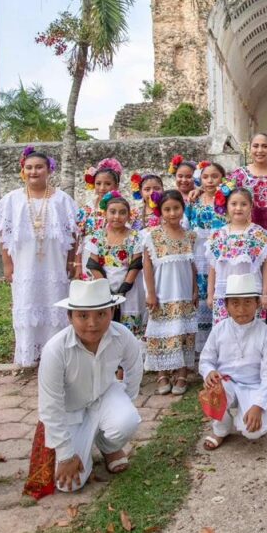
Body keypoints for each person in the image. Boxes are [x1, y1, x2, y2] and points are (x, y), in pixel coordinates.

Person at [38, 279, 143, 493]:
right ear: (70, 316)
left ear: (112, 312)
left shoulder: (122, 335)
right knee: (69, 485)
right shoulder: (55, 350)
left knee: (127, 420)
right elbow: (50, 404)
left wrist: (125, 402)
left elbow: (134, 368)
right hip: (70, 411)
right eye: (83, 316)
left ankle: (108, 447)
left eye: (101, 314)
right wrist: (66, 455)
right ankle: (80, 445)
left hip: (105, 395)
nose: (92, 323)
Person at [0, 146, 78, 367]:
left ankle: (57, 357)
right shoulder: (12, 200)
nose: (33, 172)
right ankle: (30, 356)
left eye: (39, 167)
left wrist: (73, 262)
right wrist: (8, 265)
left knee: (55, 306)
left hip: (55, 266)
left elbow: (74, 234)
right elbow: (5, 236)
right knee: (27, 304)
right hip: (25, 267)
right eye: (29, 168)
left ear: (49, 170)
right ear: (23, 170)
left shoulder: (62, 199)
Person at [198, 274, 267, 449]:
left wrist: (258, 405)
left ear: (257, 303)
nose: (241, 309)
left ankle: (243, 416)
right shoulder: (219, 330)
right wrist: (209, 372)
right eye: (235, 303)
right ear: (226, 306)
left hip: (253, 387)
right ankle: (220, 429)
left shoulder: (265, 333)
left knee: (254, 432)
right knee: (214, 389)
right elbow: (206, 360)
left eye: (247, 302)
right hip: (226, 384)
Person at [141, 190, 198, 395]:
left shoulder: (190, 236)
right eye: (167, 209)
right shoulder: (153, 236)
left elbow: (191, 266)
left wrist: (194, 289)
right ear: (160, 212)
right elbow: (147, 266)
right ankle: (162, 373)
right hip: (163, 293)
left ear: (183, 209)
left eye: (176, 208)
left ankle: (182, 372)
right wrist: (150, 293)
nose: (172, 213)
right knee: (162, 332)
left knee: (182, 331)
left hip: (183, 293)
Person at [207, 187, 267, 325]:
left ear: (251, 206)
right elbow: (213, 268)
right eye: (234, 204)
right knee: (225, 335)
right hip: (224, 294)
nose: (238, 208)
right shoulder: (218, 235)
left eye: (243, 204)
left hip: (251, 293)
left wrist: (266, 293)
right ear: (226, 206)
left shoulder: (258, 233)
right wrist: (210, 294)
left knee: (252, 334)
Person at [86, 192, 144, 338]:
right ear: (105, 214)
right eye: (112, 212)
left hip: (129, 288)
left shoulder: (135, 237)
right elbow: (93, 264)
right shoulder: (97, 236)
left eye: (122, 212)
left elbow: (136, 264)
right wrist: (106, 288)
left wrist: (124, 288)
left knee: (128, 324)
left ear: (129, 216)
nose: (117, 216)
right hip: (104, 286)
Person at [186, 161, 228, 351]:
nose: (210, 181)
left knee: (218, 294)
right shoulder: (194, 201)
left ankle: (219, 345)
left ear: (222, 178)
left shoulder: (226, 198)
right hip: (199, 253)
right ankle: (201, 348)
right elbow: (186, 226)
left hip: (221, 253)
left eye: (214, 176)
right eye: (205, 177)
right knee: (201, 295)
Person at [76, 159, 122, 280]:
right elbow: (79, 240)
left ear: (116, 186)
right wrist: (77, 266)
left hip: (114, 259)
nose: (102, 188)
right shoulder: (86, 210)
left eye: (107, 184)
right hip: (88, 259)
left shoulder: (123, 210)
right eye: (98, 183)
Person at [230, 133, 267, 230]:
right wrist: (199, 190)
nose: (260, 150)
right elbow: (221, 194)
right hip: (249, 233)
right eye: (255, 146)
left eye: (264, 146)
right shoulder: (239, 175)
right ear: (250, 149)